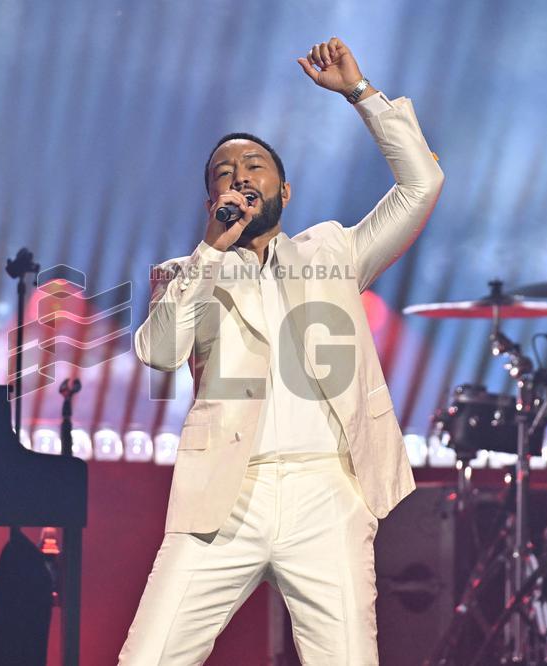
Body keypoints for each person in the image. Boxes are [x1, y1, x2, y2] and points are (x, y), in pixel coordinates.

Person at [121, 36, 444, 665]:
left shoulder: (335, 252)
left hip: (327, 490)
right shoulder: (189, 270)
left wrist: (360, 93)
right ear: (211, 199)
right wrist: (210, 251)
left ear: (284, 191)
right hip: (224, 497)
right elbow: (159, 351)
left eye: (253, 167)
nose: (239, 176)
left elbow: (422, 182)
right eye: (223, 172)